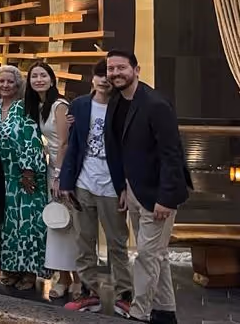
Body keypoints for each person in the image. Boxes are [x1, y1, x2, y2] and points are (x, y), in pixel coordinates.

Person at [104, 50, 190, 324]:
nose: (115, 73)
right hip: (133, 190)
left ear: (136, 70)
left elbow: (172, 154)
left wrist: (166, 198)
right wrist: (122, 187)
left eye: (121, 68)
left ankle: (139, 313)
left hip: (158, 195)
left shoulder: (156, 104)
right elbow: (119, 149)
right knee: (156, 256)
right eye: (111, 69)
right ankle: (165, 311)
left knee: (146, 256)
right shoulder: (116, 100)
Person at [59, 60, 133, 317]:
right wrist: (66, 181)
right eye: (99, 75)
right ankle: (88, 293)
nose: (104, 80)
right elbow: (73, 145)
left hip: (112, 184)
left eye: (108, 76)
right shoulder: (79, 105)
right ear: (93, 78)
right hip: (83, 183)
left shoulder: (124, 105)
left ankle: (125, 295)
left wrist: (126, 186)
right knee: (84, 242)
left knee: (117, 243)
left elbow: (129, 150)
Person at [0, 65, 49, 291]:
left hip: (25, 176)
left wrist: (28, 172)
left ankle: (30, 273)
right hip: (4, 177)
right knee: (7, 226)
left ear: (18, 85)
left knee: (28, 225)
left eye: (10, 81)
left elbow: (31, 140)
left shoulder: (25, 108)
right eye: (1, 81)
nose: (5, 85)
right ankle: (12, 269)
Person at [25, 61, 80, 298]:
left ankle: (79, 279)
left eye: (43, 75)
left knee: (72, 224)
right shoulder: (38, 106)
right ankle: (62, 277)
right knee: (57, 224)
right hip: (51, 168)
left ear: (51, 79)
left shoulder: (59, 105)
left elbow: (65, 143)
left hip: (65, 170)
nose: (39, 80)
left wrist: (59, 176)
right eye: (34, 76)